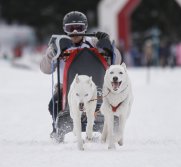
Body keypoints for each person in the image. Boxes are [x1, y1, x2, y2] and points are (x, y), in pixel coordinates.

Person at [40, 11, 122, 139]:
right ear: (64, 29)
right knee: (54, 102)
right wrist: (52, 53)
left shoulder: (93, 41)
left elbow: (116, 62)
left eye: (79, 28)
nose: (75, 32)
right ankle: (56, 128)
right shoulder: (58, 44)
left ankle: (110, 125)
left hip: (96, 85)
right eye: (70, 29)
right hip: (68, 87)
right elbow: (46, 69)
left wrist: (110, 48)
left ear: (85, 28)